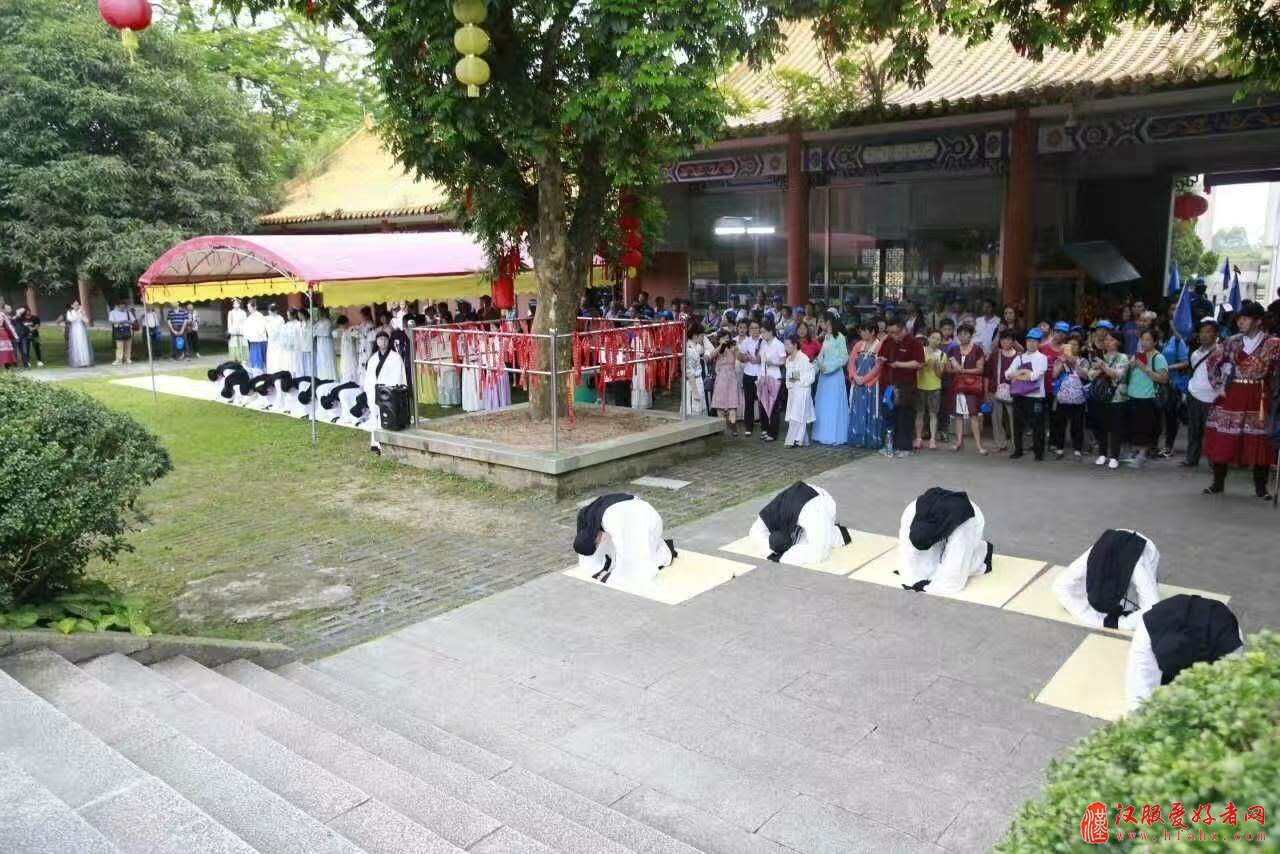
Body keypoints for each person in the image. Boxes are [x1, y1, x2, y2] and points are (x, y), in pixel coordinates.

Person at [1203, 300, 1280, 498]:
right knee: (1224, 438)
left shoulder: (1273, 344)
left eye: (1245, 319)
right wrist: (1218, 386)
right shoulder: (1232, 342)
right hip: (1233, 393)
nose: (1241, 323)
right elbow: (1212, 362)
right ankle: (1217, 483)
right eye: (1239, 319)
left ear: (1258, 321)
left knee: (1259, 442)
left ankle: (1261, 489)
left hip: (1259, 395)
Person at [1126, 595, 1243, 712]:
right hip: (1162, 636)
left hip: (1217, 635)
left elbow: (1225, 696)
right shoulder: (1147, 632)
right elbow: (1139, 695)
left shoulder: (1228, 640)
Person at [1053, 529, 1160, 631]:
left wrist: (1121, 623)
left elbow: (1153, 608)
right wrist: (1096, 620)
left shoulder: (1138, 567)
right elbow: (1060, 586)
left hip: (1143, 551)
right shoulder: (1090, 559)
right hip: (1111, 544)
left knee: (1137, 605)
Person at [897, 488, 993, 594]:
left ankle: (983, 554)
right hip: (941, 518)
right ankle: (937, 555)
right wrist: (912, 578)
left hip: (967, 516)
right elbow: (907, 550)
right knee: (926, 566)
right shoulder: (910, 514)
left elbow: (954, 573)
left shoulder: (963, 524)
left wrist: (929, 587)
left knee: (959, 563)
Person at [573, 494, 675, 587]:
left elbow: (624, 550)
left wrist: (617, 574)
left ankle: (660, 549)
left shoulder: (612, 521)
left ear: (595, 538)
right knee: (604, 543)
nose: (598, 544)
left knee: (638, 561)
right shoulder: (584, 517)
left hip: (644, 516)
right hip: (624, 513)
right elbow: (585, 547)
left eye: (596, 544)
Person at [750, 482, 849, 564]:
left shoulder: (812, 514)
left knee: (820, 551)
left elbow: (819, 554)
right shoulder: (771, 515)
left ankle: (834, 532)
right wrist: (769, 551)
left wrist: (780, 557)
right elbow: (754, 531)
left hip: (821, 501)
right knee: (817, 543)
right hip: (805, 490)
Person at [880, 317, 924, 457]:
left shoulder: (914, 343)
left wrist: (899, 364)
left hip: (906, 385)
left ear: (904, 329)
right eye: (890, 332)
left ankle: (905, 447)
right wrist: (881, 360)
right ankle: (889, 445)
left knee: (904, 415)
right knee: (889, 415)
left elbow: (919, 363)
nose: (893, 335)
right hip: (888, 384)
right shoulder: (888, 341)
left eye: (896, 332)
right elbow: (882, 356)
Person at [1124, 329, 1169, 466]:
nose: (1144, 342)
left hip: (1148, 397)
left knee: (1145, 428)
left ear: (1155, 341)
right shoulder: (1138, 355)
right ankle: (1135, 452)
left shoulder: (1158, 357)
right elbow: (1128, 374)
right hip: (1133, 395)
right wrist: (1129, 366)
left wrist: (1144, 368)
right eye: (1142, 339)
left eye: (1148, 339)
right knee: (1134, 426)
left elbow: (1164, 379)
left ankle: (1143, 455)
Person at [1181, 319, 1221, 469]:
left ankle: (1214, 461)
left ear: (1216, 334)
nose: (1204, 335)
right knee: (1193, 429)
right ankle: (1191, 458)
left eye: (1208, 331)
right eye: (1202, 332)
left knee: (1211, 431)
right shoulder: (1195, 354)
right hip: (1194, 394)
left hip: (1213, 397)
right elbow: (1193, 372)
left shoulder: (1220, 352)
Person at [1005, 328, 1048, 461]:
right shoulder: (1020, 357)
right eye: (1029, 341)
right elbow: (1007, 374)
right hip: (1020, 396)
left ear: (1039, 343)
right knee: (1017, 424)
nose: (1031, 344)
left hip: (1036, 397)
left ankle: (1039, 453)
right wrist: (1023, 373)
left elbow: (1035, 376)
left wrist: (1018, 373)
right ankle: (1018, 450)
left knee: (1038, 426)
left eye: (1034, 341)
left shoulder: (1043, 358)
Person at [1089, 331, 1130, 470]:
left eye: (1111, 340)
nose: (1107, 342)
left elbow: (1117, 375)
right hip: (1102, 396)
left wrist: (1103, 366)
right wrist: (1100, 367)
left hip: (1118, 397)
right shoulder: (1101, 356)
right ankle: (1102, 453)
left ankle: (1114, 456)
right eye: (1106, 340)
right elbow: (1091, 375)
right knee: (1102, 426)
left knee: (1116, 428)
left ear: (1118, 342)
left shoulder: (1123, 358)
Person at [362, 329, 407, 455]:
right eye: (380, 339)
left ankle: (386, 444)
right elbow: (369, 377)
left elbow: (397, 375)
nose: (383, 341)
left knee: (387, 418)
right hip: (375, 391)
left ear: (389, 341)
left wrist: (388, 389)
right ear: (376, 342)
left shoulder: (395, 357)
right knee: (375, 417)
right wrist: (371, 389)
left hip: (388, 393)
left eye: (385, 339)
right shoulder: (373, 359)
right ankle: (375, 443)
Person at [946, 324, 987, 454]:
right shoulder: (953, 350)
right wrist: (955, 369)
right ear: (957, 335)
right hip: (958, 385)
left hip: (972, 386)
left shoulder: (977, 349)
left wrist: (963, 370)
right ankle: (959, 442)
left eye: (966, 333)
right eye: (961, 334)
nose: (963, 336)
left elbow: (980, 369)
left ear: (971, 335)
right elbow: (948, 369)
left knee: (974, 414)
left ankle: (979, 445)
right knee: (958, 415)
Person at [811, 313, 849, 445]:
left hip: (834, 375)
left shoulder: (840, 337)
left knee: (833, 404)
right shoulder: (826, 337)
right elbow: (821, 355)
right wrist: (812, 368)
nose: (820, 325)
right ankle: (822, 433)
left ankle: (833, 435)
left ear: (829, 322)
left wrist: (829, 367)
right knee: (823, 403)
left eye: (822, 322)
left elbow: (844, 358)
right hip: (824, 376)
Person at [847, 323, 883, 449]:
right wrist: (855, 376)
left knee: (871, 410)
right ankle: (858, 437)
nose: (862, 334)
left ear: (873, 332)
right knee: (858, 409)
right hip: (858, 383)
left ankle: (870, 438)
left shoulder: (879, 346)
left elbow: (878, 367)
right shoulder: (858, 345)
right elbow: (851, 361)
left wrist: (865, 379)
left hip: (871, 385)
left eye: (865, 331)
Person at [1050, 340, 1088, 458]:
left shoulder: (1083, 361)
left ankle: (1077, 448)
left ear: (1079, 347)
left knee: (1077, 424)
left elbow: (1085, 375)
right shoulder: (1060, 359)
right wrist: (1063, 362)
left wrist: (1074, 363)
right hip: (1062, 398)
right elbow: (1054, 375)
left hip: (1078, 399)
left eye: (1075, 344)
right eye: (1070, 345)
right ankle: (1060, 447)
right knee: (1060, 424)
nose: (1072, 346)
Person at [755, 318, 787, 442]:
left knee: (773, 406)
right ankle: (765, 429)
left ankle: (773, 433)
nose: (762, 335)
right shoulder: (762, 343)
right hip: (763, 376)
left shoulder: (779, 344)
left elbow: (783, 361)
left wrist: (772, 362)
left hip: (774, 377)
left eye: (763, 332)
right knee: (763, 404)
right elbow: (759, 359)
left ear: (770, 331)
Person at [782, 335, 816, 447]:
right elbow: (789, 377)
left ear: (795, 345)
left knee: (798, 414)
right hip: (793, 390)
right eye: (785, 344)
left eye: (788, 344)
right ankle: (798, 439)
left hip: (802, 390)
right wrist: (792, 380)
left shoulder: (803, 358)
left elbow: (807, 375)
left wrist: (794, 378)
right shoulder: (788, 360)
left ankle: (795, 440)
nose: (786, 347)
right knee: (795, 414)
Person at [914, 330, 945, 450]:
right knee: (919, 413)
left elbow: (940, 375)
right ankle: (918, 438)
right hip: (920, 385)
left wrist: (936, 365)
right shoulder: (920, 351)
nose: (935, 341)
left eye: (938, 339)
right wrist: (924, 363)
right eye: (933, 338)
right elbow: (916, 367)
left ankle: (932, 440)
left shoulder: (942, 355)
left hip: (935, 387)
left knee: (933, 414)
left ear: (941, 341)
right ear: (928, 338)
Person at [709, 329, 742, 435]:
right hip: (721, 378)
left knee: (732, 402)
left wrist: (736, 350)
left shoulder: (732, 348)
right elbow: (711, 356)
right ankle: (721, 426)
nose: (726, 340)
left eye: (727, 338)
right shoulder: (718, 349)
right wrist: (720, 346)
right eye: (723, 338)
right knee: (719, 403)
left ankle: (733, 424)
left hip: (731, 377)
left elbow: (740, 358)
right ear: (719, 339)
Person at [737, 318, 762, 436]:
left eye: (756, 328)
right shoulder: (746, 342)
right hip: (748, 374)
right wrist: (746, 358)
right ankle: (749, 427)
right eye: (752, 328)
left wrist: (757, 359)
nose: (754, 330)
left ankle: (765, 426)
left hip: (761, 375)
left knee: (763, 402)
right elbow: (740, 356)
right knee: (749, 402)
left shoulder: (764, 341)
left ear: (760, 329)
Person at [684, 320, 709, 416]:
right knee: (694, 408)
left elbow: (706, 349)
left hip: (699, 380)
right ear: (695, 335)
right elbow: (689, 372)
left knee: (700, 407)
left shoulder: (696, 346)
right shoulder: (689, 349)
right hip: (693, 382)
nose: (703, 338)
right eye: (702, 336)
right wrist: (694, 391)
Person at [65, 300, 94, 368]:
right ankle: (78, 362)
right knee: (76, 344)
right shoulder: (70, 312)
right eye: (75, 305)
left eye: (78, 304)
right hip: (74, 330)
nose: (76, 306)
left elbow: (86, 320)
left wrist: (83, 314)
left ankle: (85, 361)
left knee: (83, 344)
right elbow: (71, 319)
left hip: (81, 329)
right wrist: (78, 314)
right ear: (72, 305)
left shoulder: (81, 311)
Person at [242, 300, 268, 375]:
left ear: (254, 307)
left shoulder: (259, 316)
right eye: (248, 307)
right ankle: (256, 373)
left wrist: (255, 335)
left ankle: (262, 372)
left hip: (260, 340)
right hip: (253, 340)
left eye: (249, 307)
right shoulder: (249, 318)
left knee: (261, 358)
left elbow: (262, 328)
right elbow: (246, 328)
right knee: (254, 358)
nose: (248, 309)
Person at [107, 300, 135, 365]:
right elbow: (111, 321)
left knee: (128, 345)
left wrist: (127, 322)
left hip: (127, 329)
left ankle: (127, 359)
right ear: (118, 306)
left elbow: (133, 321)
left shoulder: (128, 312)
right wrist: (120, 322)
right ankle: (119, 360)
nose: (123, 308)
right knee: (119, 346)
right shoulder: (113, 313)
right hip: (118, 329)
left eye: (124, 306)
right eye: (121, 306)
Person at [313, 307, 336, 381]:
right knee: (321, 359)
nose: (319, 314)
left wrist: (317, 332)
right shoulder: (318, 322)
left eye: (320, 312)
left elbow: (326, 332)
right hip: (320, 343)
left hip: (327, 343)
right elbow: (313, 331)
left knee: (327, 359)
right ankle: (322, 377)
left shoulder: (328, 321)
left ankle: (329, 377)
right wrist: (317, 332)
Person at [264, 304, 286, 373]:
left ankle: (278, 371)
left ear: (276, 311)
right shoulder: (268, 318)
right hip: (272, 340)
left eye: (271, 311)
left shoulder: (280, 318)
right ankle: (272, 371)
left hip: (278, 340)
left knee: (278, 356)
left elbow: (282, 330)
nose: (270, 312)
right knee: (273, 356)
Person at [226, 299, 248, 364]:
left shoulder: (243, 312)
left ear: (239, 304)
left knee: (242, 344)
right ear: (233, 305)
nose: (236, 305)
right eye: (234, 303)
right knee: (234, 344)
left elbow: (245, 322)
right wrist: (230, 331)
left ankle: (243, 359)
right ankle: (235, 359)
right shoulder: (231, 312)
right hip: (233, 331)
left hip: (241, 331)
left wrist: (243, 330)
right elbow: (229, 323)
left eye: (237, 303)